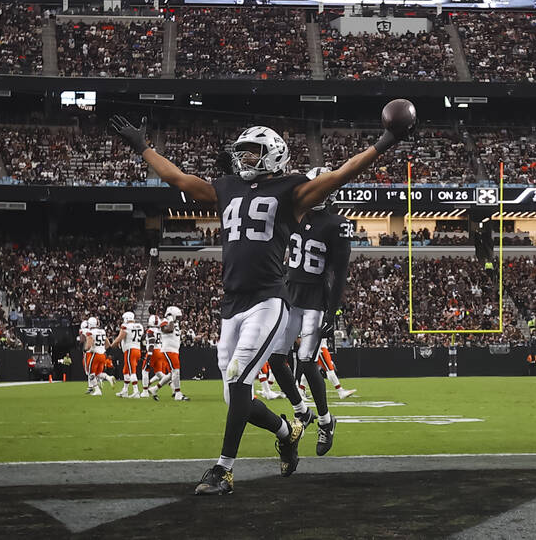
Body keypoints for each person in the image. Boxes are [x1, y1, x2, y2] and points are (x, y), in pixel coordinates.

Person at [110, 99, 414, 495]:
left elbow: (342, 172)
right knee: (234, 394)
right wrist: (143, 147)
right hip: (230, 303)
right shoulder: (227, 187)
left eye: (251, 151)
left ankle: (222, 470)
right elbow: (181, 180)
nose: (243, 157)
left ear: (272, 154)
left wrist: (386, 140)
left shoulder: (292, 189)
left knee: (238, 380)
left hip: (269, 300)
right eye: (241, 152)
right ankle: (287, 431)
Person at [275, 166, 353, 455]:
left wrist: (332, 313)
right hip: (289, 298)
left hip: (314, 304)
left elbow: (339, 273)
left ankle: (325, 420)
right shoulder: (292, 216)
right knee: (276, 359)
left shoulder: (336, 224)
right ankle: (302, 411)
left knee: (306, 361)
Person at [110, 311, 144, 398]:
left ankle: (136, 391)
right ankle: (125, 390)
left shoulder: (126, 326)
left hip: (130, 350)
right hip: (137, 349)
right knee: (126, 370)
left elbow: (120, 337)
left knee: (132, 371)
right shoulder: (140, 326)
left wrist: (112, 344)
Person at [84, 317, 107, 396]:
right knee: (98, 373)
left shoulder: (90, 332)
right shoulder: (103, 331)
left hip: (95, 354)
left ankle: (97, 390)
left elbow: (89, 344)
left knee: (91, 373)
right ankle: (108, 378)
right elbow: (107, 343)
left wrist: (85, 349)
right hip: (103, 354)